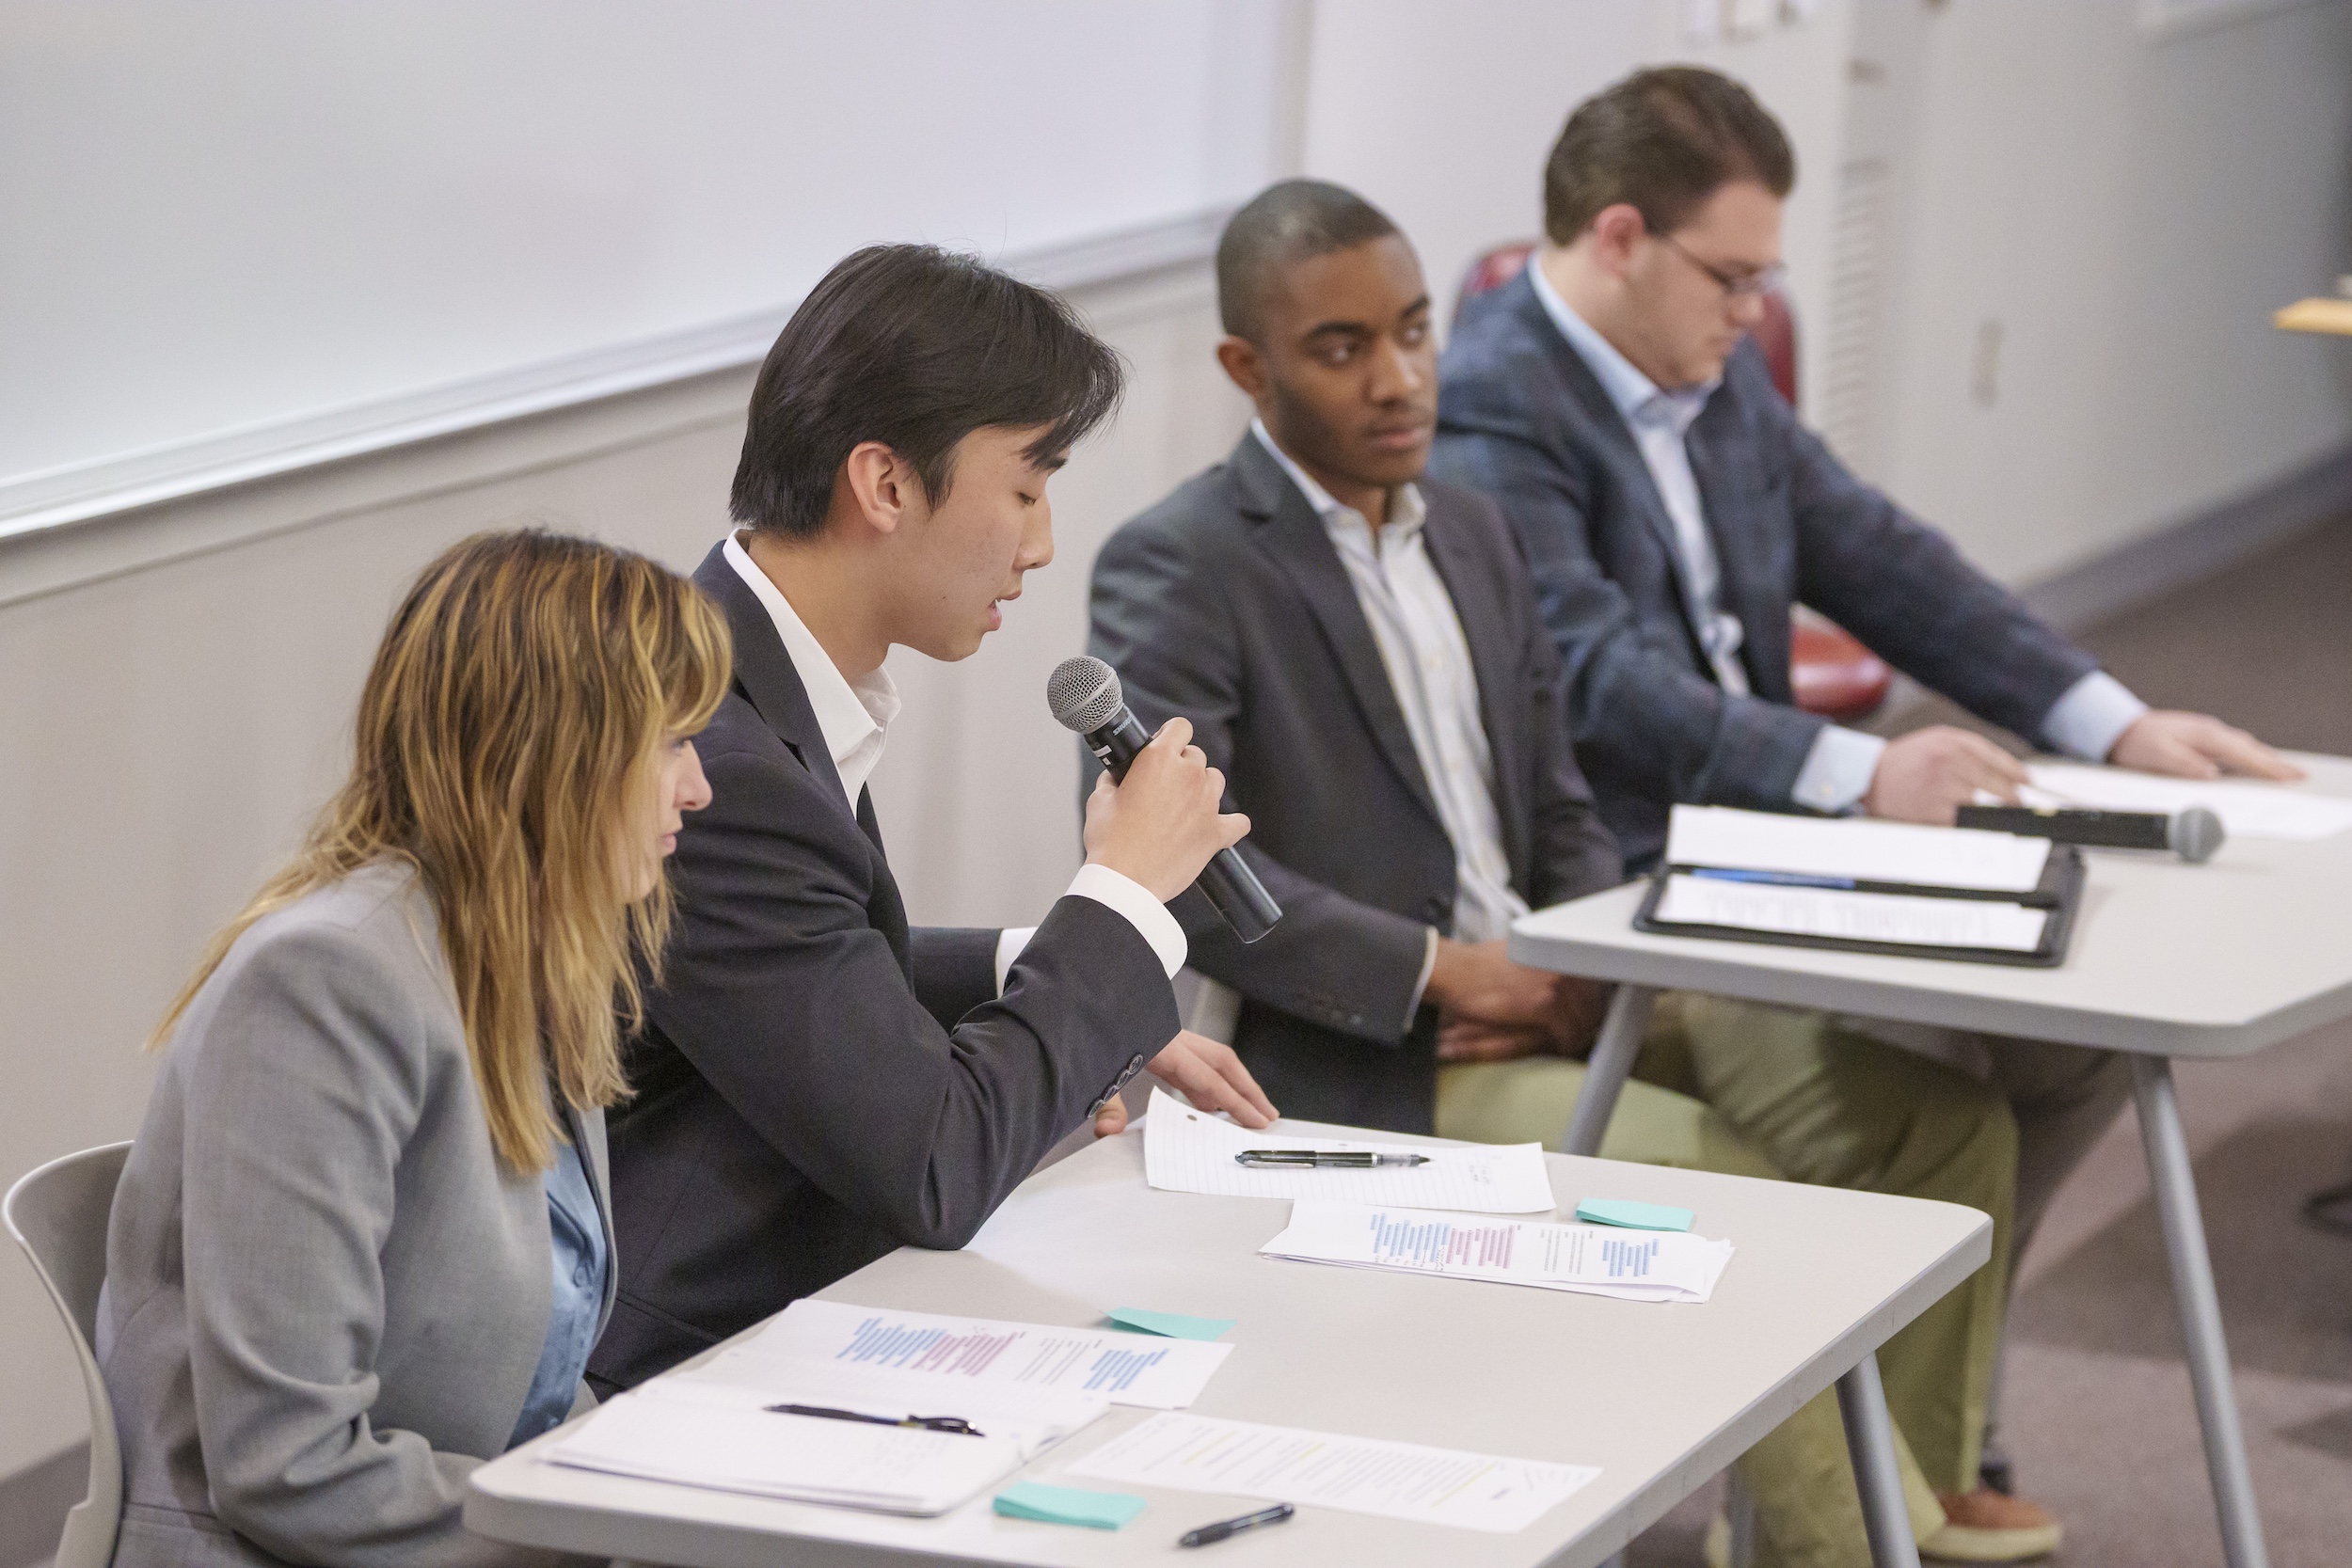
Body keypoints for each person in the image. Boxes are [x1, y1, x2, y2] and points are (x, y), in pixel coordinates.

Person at [1089, 178, 2038, 1568]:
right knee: (1719, 1189)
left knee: (1946, 1132)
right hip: (1389, 1045)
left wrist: (1592, 969)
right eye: (1342, 347)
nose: (1400, 376)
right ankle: (1845, 1538)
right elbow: (1183, 875)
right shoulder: (1180, 564)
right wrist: (1455, 973)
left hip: (1564, 978)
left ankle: (1898, 1508)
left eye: (1414, 331)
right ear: (1250, 366)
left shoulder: (1469, 526)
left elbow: (1562, 793)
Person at [1430, 64, 2302, 1507]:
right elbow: (1601, 683)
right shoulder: (1493, 406)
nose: (1750, 310)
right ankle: (1863, 1482)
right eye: (1731, 275)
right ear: (1622, 236)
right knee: (1947, 1080)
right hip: (1643, 880)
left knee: (2076, 1042)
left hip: (1777, 837)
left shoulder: (1706, 377)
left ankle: (1918, 1429)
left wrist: (2113, 717)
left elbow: (1884, 556)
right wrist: (1860, 767)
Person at [589, 244, 1277, 1393]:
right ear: (886, 483)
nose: (1042, 541)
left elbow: (812, 964)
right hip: (679, 1370)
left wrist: (1041, 965)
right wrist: (1117, 896)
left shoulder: (753, 671)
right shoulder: (719, 756)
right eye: (1024, 487)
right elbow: (937, 1162)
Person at [99, 530, 729, 1568]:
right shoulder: (324, 984)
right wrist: (609, 1525)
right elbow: (289, 1465)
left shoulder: (520, 956)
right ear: (553, 753)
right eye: (670, 742)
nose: (697, 787)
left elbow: (537, 1381)